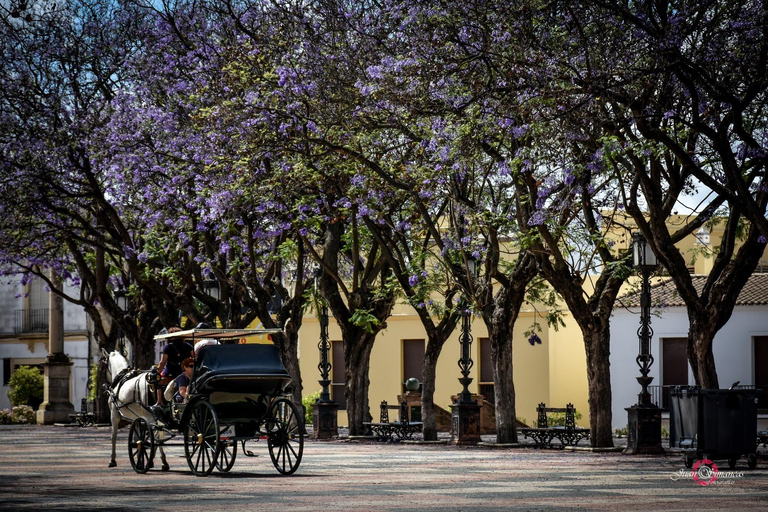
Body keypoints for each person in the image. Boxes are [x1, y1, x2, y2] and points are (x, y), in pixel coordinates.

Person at [155, 327, 193, 404]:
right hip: (185, 373)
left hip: (170, 374)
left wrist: (158, 372)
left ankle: (159, 401)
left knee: (157, 381)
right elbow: (193, 358)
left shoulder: (168, 347)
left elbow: (163, 362)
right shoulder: (188, 346)